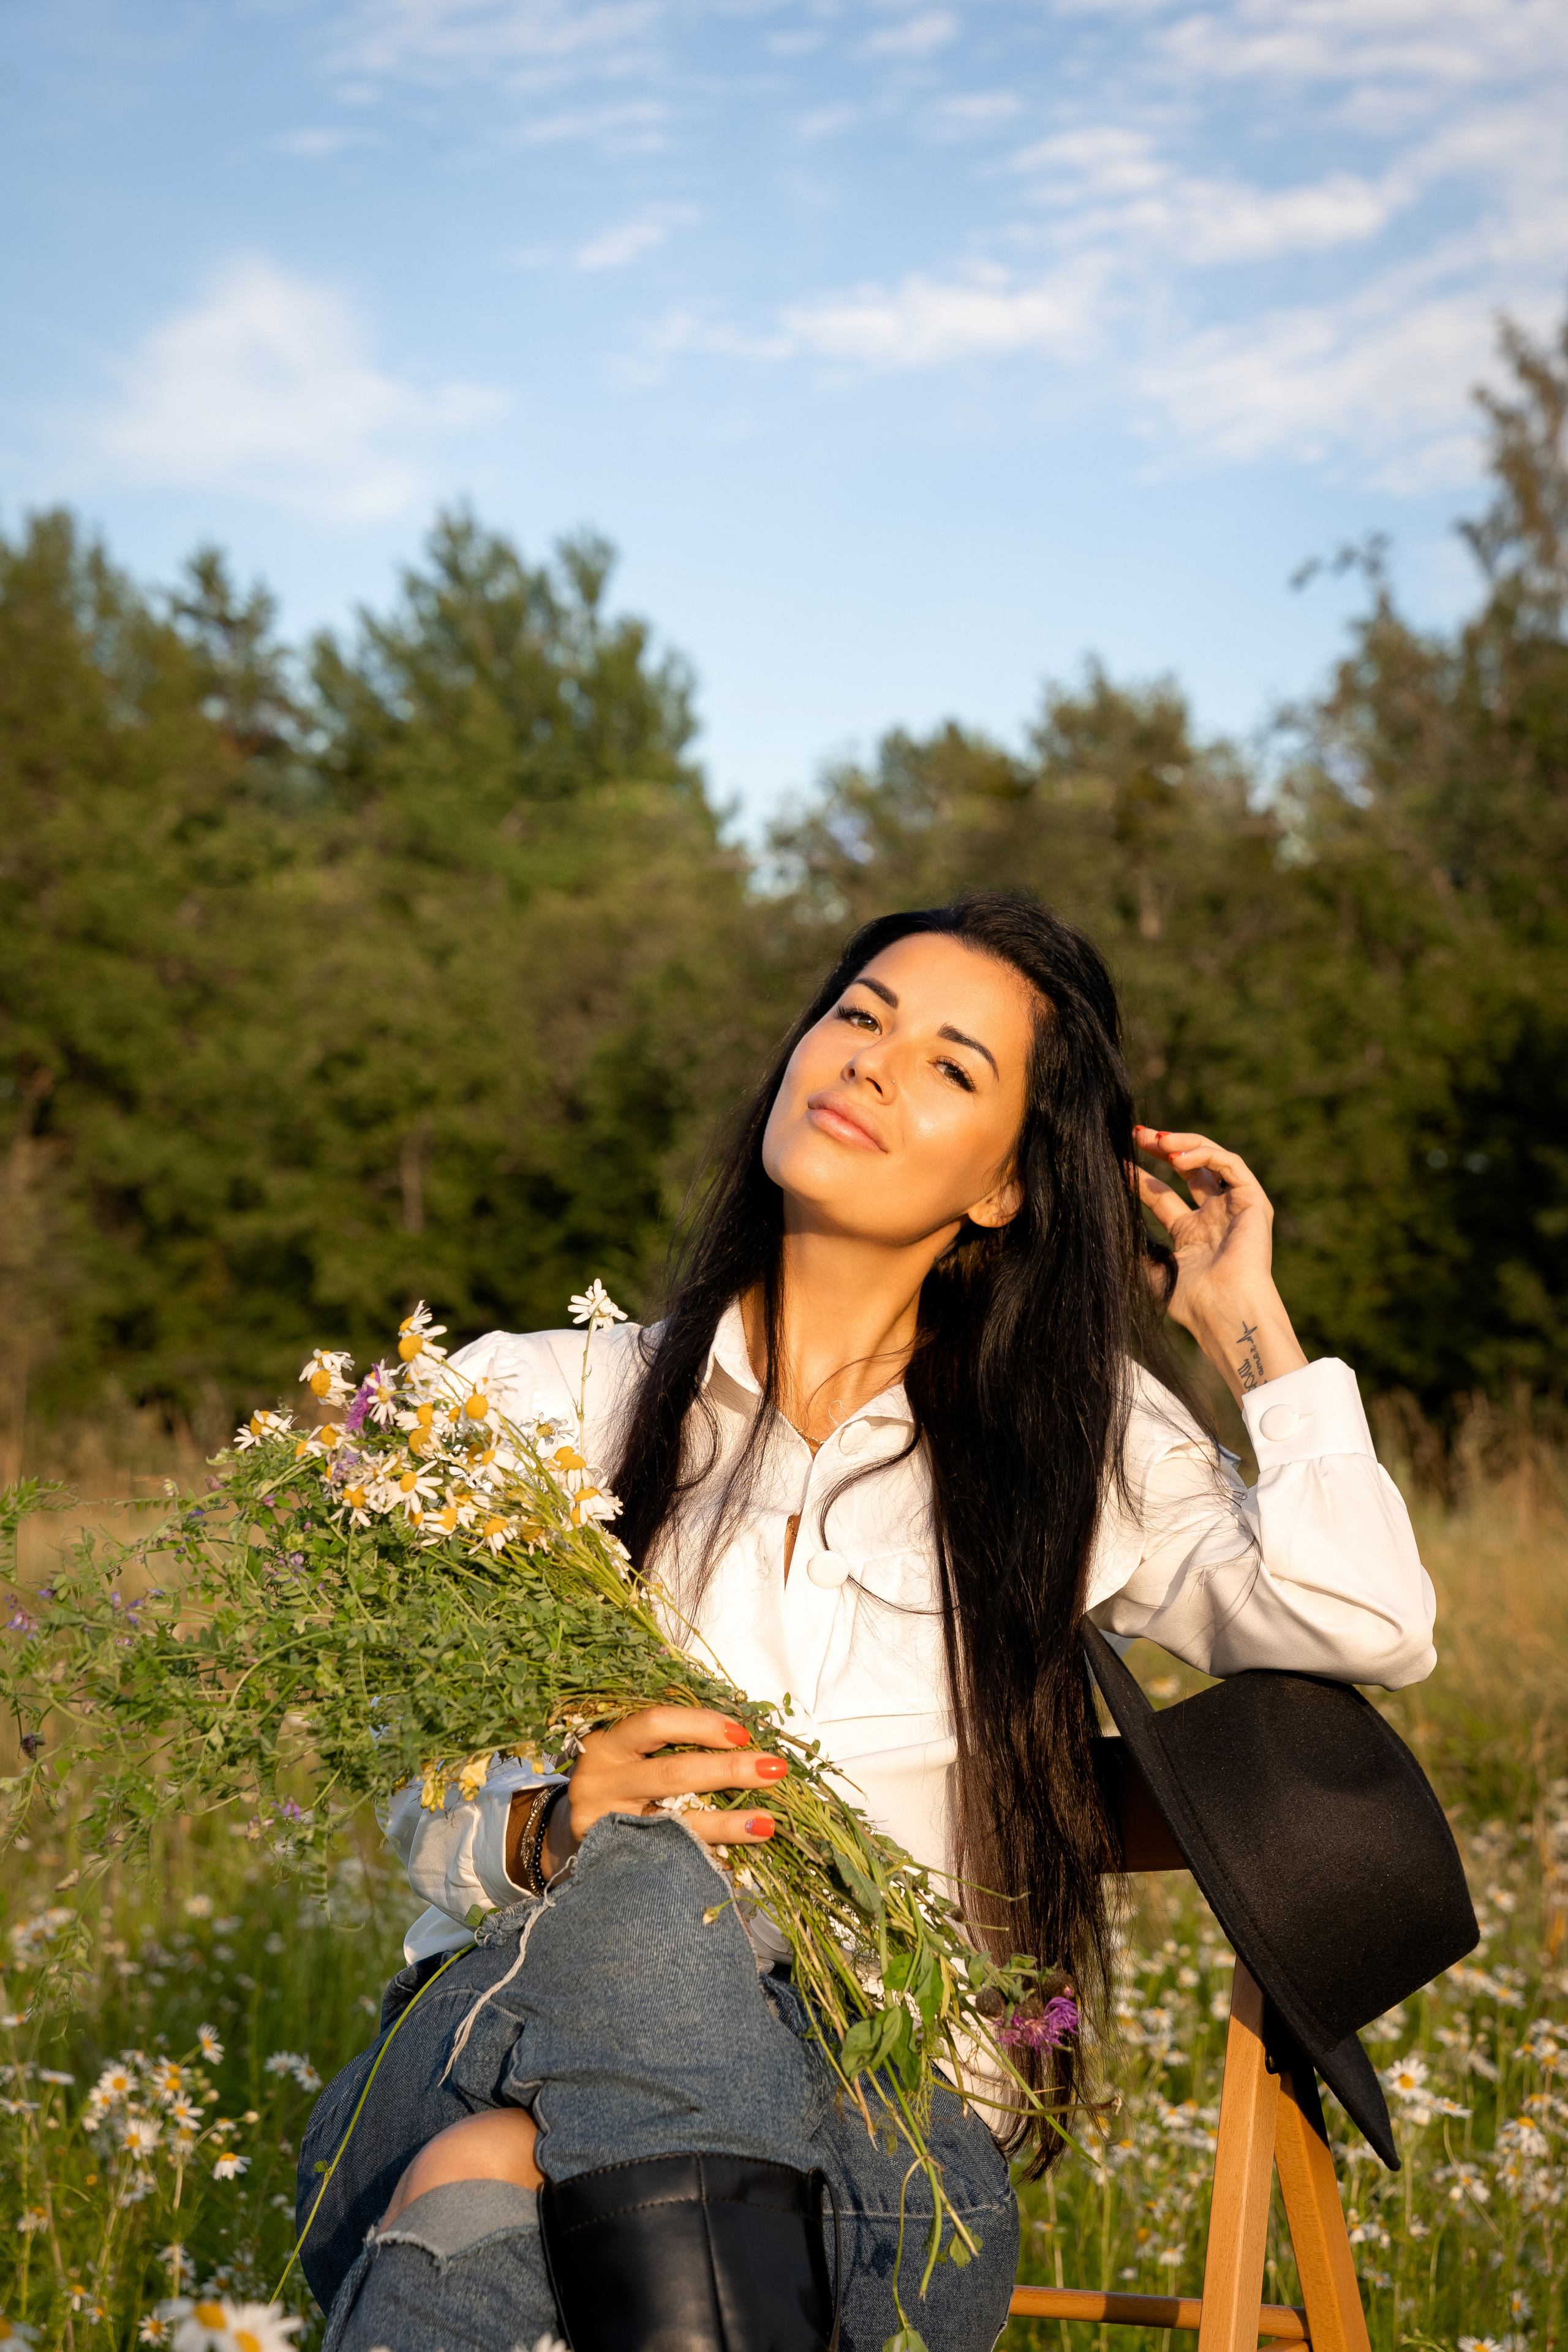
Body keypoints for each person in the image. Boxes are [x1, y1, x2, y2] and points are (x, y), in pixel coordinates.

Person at [300, 891, 1436, 2352]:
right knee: (647, 1888)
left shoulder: (1066, 1453)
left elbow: (1365, 1620)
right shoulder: (532, 1407)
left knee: (480, 2198)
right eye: (857, 1018)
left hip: (884, 2140)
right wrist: (544, 1827)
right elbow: (408, 1782)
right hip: (496, 2037)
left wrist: (1240, 1321)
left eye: (951, 1068)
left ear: (1005, 1188)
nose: (872, 1065)